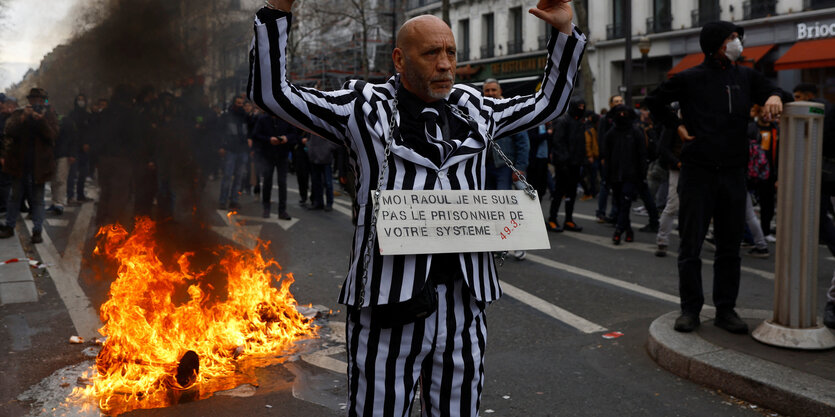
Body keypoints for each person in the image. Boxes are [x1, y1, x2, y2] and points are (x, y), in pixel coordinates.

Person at [249, 1, 584, 415]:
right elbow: (273, 93)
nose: (445, 65)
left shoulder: (476, 107)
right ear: (399, 58)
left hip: (464, 305)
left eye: (451, 54)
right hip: (388, 306)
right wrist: (277, 10)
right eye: (431, 54)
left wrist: (564, 33)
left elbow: (546, 104)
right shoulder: (362, 109)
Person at [645, 21, 783, 334]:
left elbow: (778, 91)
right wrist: (676, 126)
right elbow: (653, 101)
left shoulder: (746, 76)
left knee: (729, 247)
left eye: (738, 37)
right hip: (698, 172)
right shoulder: (691, 77)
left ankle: (726, 310)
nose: (738, 43)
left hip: (734, 173)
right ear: (717, 43)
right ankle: (689, 310)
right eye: (732, 38)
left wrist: (774, 95)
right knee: (690, 246)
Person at [0, 88, 59, 244]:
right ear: (29, 101)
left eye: (40, 100)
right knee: (15, 196)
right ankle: (9, 226)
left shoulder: (50, 115)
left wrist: (41, 120)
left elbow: (52, 136)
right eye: (34, 100)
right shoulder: (20, 113)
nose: (37, 103)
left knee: (38, 199)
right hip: (20, 163)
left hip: (40, 165)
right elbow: (9, 131)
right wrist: (23, 118)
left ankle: (37, 231)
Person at [482, 78, 530, 260]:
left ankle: (518, 244)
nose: (491, 93)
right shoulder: (480, 111)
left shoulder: (511, 112)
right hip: (486, 168)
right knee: (490, 209)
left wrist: (520, 168)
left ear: (500, 90)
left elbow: (523, 142)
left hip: (504, 166)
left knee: (506, 208)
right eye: (487, 90)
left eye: (494, 90)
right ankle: (499, 246)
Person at [602, 104, 646, 245]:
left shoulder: (636, 132)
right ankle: (628, 230)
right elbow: (607, 157)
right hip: (615, 176)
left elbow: (641, 156)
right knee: (620, 204)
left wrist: (641, 176)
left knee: (625, 203)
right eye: (619, 113)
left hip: (631, 176)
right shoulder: (611, 134)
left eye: (624, 113)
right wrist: (606, 176)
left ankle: (618, 231)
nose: (622, 116)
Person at [547, 98, 587, 232]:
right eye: (579, 106)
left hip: (576, 163)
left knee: (571, 192)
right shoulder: (563, 121)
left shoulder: (579, 122)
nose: (581, 108)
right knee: (559, 192)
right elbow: (558, 142)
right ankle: (552, 219)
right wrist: (563, 162)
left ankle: (568, 220)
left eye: (583, 106)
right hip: (564, 164)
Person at [252, 113, 297, 219]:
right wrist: (269, 139)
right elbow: (256, 134)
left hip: (282, 154)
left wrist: (286, 138)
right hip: (267, 154)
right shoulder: (263, 119)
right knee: (267, 182)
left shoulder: (286, 117)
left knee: (282, 182)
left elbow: (294, 134)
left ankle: (282, 211)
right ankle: (266, 208)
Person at [655, 103, 683, 257]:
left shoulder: (698, 122)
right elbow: (663, 148)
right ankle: (662, 241)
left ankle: (687, 243)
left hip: (693, 169)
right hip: (677, 169)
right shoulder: (672, 125)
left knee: (690, 208)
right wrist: (677, 162)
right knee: (672, 205)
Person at [218, 96, 250, 211]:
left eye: (241, 103)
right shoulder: (226, 116)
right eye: (238, 103)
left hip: (242, 151)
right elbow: (220, 132)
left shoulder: (245, 117)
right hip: (230, 150)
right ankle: (223, 200)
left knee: (239, 177)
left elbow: (249, 132)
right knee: (227, 176)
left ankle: (234, 200)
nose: (240, 105)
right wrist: (221, 146)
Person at [66, 94, 93, 205]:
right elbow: (71, 132)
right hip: (74, 148)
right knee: (72, 174)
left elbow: (90, 131)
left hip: (85, 149)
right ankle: (70, 196)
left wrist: (88, 143)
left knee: (83, 173)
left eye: (83, 100)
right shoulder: (72, 115)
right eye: (79, 100)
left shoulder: (88, 115)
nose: (81, 102)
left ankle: (80, 195)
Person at [306, 132, 337, 211]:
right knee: (316, 182)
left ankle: (329, 203)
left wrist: (328, 148)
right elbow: (308, 137)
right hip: (314, 156)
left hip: (326, 157)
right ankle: (318, 202)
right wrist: (309, 147)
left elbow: (336, 138)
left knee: (328, 182)